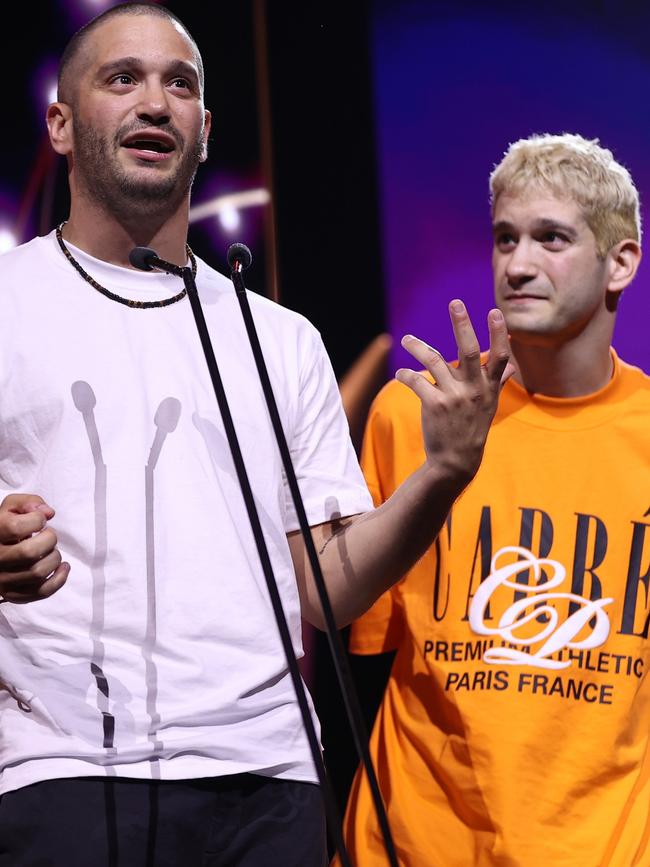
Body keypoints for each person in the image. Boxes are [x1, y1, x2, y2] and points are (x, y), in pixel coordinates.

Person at [0, 4, 510, 865]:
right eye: (122, 78)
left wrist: (443, 474)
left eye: (181, 85)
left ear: (205, 131)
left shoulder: (280, 338)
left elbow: (324, 591)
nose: (156, 102)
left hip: (266, 779)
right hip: (61, 770)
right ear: (59, 123)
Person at [340, 132, 650, 866]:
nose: (517, 264)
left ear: (622, 262)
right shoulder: (412, 412)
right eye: (505, 238)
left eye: (551, 238)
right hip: (414, 845)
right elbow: (354, 628)